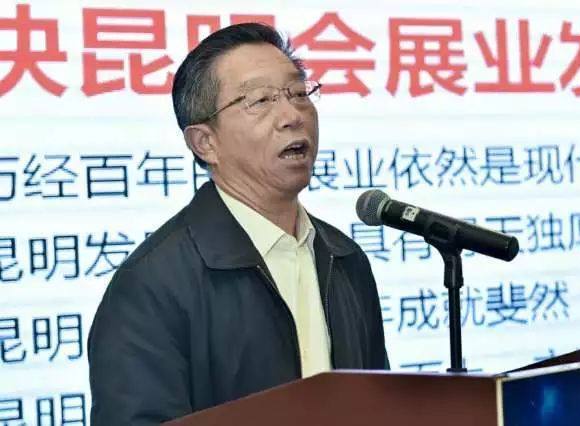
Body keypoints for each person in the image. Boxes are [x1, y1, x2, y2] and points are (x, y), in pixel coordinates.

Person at [88, 22, 389, 425]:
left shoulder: (345, 259)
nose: (292, 116)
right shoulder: (151, 286)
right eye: (260, 100)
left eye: (299, 93)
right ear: (205, 143)